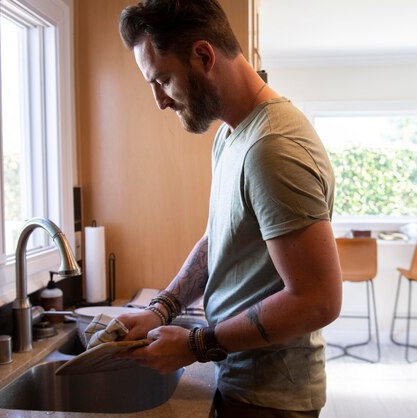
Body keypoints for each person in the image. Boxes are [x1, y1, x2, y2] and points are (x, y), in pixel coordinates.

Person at [116, 1, 342, 416]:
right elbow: (219, 238)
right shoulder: (232, 135)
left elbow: (318, 300)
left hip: (272, 399)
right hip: (241, 378)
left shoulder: (273, 148)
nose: (159, 101)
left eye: (163, 79)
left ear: (203, 56)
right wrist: (161, 309)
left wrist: (194, 344)